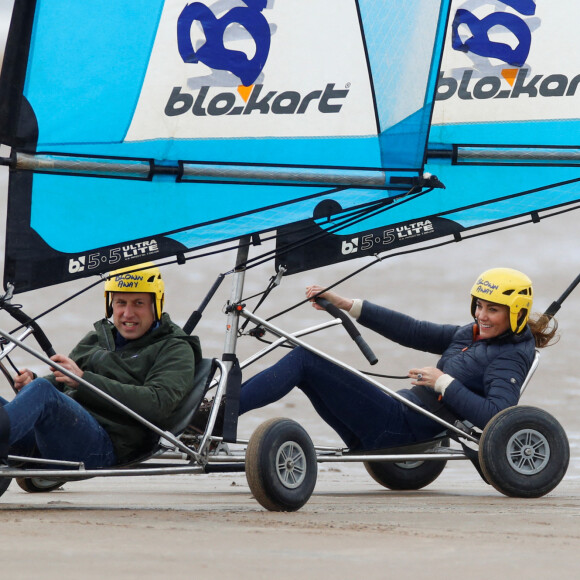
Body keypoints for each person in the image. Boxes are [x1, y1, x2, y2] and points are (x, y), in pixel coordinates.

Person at [238, 268, 558, 450]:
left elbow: (498, 417)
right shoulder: (473, 333)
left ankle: (223, 412)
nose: (481, 316)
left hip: (397, 429)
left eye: (493, 309)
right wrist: (346, 303)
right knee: (307, 364)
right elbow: (414, 331)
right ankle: (218, 412)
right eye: (479, 306)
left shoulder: (510, 356)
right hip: (395, 416)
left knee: (305, 359)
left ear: (515, 311)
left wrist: (442, 382)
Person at [0, 263, 202, 468]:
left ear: (156, 304)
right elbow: (61, 385)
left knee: (41, 391)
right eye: (121, 302)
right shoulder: (95, 340)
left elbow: (157, 404)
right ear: (110, 304)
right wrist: (32, 381)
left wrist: (83, 381)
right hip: (55, 436)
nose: (128, 313)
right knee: (39, 388)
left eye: (138, 303)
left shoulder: (175, 348)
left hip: (103, 446)